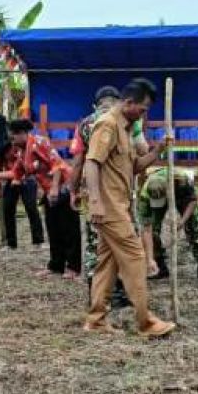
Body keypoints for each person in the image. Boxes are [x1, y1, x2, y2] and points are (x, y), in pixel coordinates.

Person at [83, 78, 174, 337]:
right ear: (129, 102)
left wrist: (158, 150)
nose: (144, 115)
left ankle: (96, 320)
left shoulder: (126, 128)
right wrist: (96, 201)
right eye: (142, 110)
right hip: (109, 207)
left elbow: (133, 167)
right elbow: (92, 163)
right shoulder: (108, 125)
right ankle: (146, 322)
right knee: (135, 257)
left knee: (106, 264)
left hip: (119, 205)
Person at [70, 86, 148, 303]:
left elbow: (78, 162)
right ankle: (119, 291)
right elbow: (142, 151)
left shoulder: (85, 124)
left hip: (92, 191)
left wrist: (73, 190)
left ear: (96, 103)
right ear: (119, 101)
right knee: (124, 239)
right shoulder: (128, 122)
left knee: (96, 242)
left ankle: (96, 294)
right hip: (120, 192)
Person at [0, 119, 80, 277]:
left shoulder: (40, 142)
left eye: (13, 138)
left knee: (68, 228)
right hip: (48, 191)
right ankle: (56, 265)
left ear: (22, 134)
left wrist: (55, 188)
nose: (11, 142)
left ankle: (73, 267)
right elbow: (15, 173)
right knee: (52, 227)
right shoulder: (21, 153)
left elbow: (57, 165)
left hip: (63, 187)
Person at [138, 167, 198, 281]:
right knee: (153, 229)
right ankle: (159, 265)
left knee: (196, 220)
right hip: (158, 195)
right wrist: (149, 259)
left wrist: (182, 221)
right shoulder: (145, 197)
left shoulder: (181, 180)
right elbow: (146, 229)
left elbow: (192, 201)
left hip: (180, 193)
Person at [0, 116, 46, 251]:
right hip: (10, 179)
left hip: (27, 180)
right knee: (8, 210)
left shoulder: (29, 146)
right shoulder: (2, 147)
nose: (13, 137)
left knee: (31, 208)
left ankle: (38, 241)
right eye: (11, 134)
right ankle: (11, 243)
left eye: (15, 134)